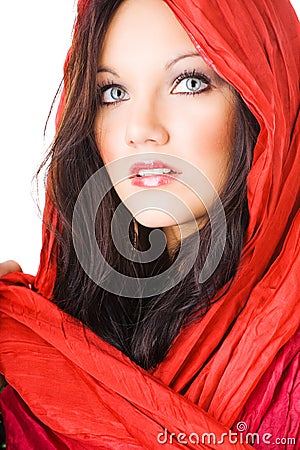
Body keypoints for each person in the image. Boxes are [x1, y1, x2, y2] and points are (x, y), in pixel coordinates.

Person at [0, 0, 299, 448]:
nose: (140, 129)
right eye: (113, 92)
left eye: (190, 81)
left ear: (265, 102)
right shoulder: (36, 340)